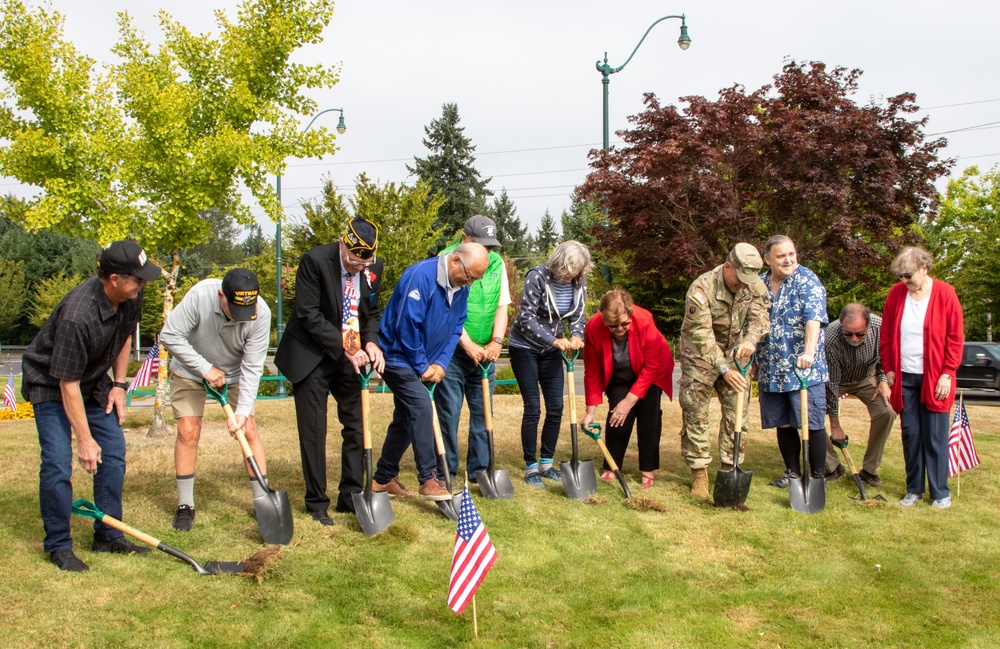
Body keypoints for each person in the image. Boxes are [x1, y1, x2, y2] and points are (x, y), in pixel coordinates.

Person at [22, 240, 161, 571]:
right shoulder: (78, 315)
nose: (143, 284)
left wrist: (119, 384)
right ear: (114, 278)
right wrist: (84, 440)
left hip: (93, 379)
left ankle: (108, 536)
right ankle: (58, 545)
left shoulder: (131, 295)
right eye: (137, 278)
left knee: (113, 451)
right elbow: (66, 384)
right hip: (51, 384)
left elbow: (125, 336)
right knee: (58, 462)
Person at [274, 216, 386, 526]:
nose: (358, 269)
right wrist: (350, 345)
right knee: (314, 430)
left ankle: (350, 495)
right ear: (342, 245)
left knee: (357, 423)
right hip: (311, 353)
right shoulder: (314, 260)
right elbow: (308, 315)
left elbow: (371, 312)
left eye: (364, 263)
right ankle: (316, 502)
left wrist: (372, 343)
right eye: (352, 262)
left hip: (352, 355)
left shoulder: (372, 268)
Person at [371, 243, 489, 500]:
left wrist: (441, 364)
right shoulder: (420, 276)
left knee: (406, 417)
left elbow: (457, 327)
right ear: (455, 260)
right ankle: (428, 478)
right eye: (470, 276)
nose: (470, 283)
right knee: (422, 406)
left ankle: (382, 478)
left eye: (476, 279)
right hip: (397, 356)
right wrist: (422, 365)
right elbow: (406, 326)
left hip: (427, 361)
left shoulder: (461, 288)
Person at [159, 268, 271, 531]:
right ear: (221, 295)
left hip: (233, 374)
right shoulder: (200, 295)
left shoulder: (261, 313)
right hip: (190, 370)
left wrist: (242, 412)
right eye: (234, 309)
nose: (240, 318)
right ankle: (185, 505)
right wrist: (204, 368)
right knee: (188, 430)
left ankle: (262, 500)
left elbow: (253, 366)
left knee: (249, 429)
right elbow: (169, 335)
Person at [678, 243, 770, 498]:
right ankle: (699, 473)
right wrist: (722, 368)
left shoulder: (754, 285)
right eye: (739, 279)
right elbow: (701, 333)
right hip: (700, 355)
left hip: (736, 355)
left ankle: (730, 467)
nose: (743, 285)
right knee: (696, 412)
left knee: (737, 413)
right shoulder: (702, 287)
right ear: (728, 266)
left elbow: (759, 319)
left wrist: (751, 340)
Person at [880, 247, 963, 509]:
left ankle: (940, 493)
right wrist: (889, 367)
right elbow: (887, 334)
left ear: (925, 268)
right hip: (905, 377)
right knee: (911, 434)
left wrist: (947, 373)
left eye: (908, 275)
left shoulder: (945, 293)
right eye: (900, 275)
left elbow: (955, 337)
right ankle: (913, 489)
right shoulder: (896, 294)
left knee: (935, 436)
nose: (904, 281)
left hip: (936, 378)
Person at [508, 240, 593, 488]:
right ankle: (530, 467)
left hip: (554, 349)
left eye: (574, 272)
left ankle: (546, 463)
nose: (569, 277)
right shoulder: (537, 277)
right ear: (558, 263)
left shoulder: (579, 283)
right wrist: (553, 340)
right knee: (533, 407)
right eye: (566, 271)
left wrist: (576, 335)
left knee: (555, 407)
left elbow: (578, 316)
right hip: (524, 347)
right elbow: (525, 317)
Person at [435, 215, 511, 484]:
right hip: (453, 352)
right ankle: (446, 472)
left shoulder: (496, 263)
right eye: (481, 245)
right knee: (449, 413)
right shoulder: (446, 259)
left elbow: (502, 305)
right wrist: (466, 344)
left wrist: (496, 342)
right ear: (465, 239)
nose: (487, 252)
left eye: (490, 247)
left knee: (482, 414)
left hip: (485, 355)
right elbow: (446, 310)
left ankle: (480, 471)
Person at [756, 235, 830, 488]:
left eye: (792, 254)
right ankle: (793, 473)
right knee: (783, 422)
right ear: (768, 259)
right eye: (781, 256)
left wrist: (808, 352)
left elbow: (814, 320)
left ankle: (818, 476)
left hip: (803, 369)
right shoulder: (760, 283)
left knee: (812, 422)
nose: (788, 260)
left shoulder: (807, 280)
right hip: (772, 368)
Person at [581, 289, 674, 489]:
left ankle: (647, 469)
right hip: (618, 374)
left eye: (624, 323)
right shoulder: (593, 328)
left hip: (650, 371)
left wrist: (629, 401)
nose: (620, 329)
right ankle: (611, 466)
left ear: (630, 313)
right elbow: (592, 371)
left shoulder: (645, 320)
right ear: (604, 319)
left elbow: (652, 366)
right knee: (617, 417)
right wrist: (590, 412)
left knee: (649, 417)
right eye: (613, 326)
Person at [821, 303, 896, 487]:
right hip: (837, 381)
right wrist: (835, 425)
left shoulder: (880, 327)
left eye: (860, 334)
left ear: (868, 326)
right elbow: (831, 384)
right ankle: (832, 467)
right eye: (848, 334)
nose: (854, 338)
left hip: (868, 378)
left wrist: (884, 380)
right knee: (808, 414)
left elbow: (888, 357)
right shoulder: (830, 337)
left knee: (887, 411)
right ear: (841, 324)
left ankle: (870, 471)